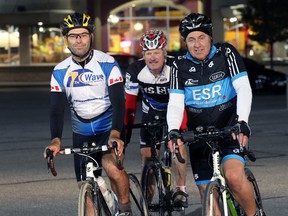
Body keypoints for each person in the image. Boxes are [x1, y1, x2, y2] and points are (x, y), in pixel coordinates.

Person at [166, 13, 256, 215]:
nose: (197, 44)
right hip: (199, 136)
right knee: (207, 195)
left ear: (210, 38)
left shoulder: (226, 53)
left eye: (201, 38)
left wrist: (242, 121)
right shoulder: (178, 65)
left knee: (233, 177)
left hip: (229, 130)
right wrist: (173, 130)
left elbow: (243, 88)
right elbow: (175, 103)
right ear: (185, 43)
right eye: (191, 40)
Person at [43, 12, 132, 215]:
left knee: (112, 169)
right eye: (73, 35)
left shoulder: (108, 63)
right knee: (85, 190)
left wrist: (116, 135)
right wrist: (55, 140)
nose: (79, 40)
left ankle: (126, 208)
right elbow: (57, 109)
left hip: (110, 128)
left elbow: (119, 103)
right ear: (66, 39)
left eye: (83, 34)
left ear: (91, 36)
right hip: (82, 133)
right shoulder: (59, 71)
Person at [124, 29, 188, 208]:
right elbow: (129, 105)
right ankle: (147, 202)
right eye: (148, 53)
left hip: (174, 111)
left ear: (165, 52)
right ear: (142, 54)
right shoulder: (135, 69)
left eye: (156, 52)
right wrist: (126, 134)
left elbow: (183, 101)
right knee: (147, 157)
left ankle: (180, 189)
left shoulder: (175, 66)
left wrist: (178, 131)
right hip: (150, 112)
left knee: (177, 146)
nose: (152, 57)